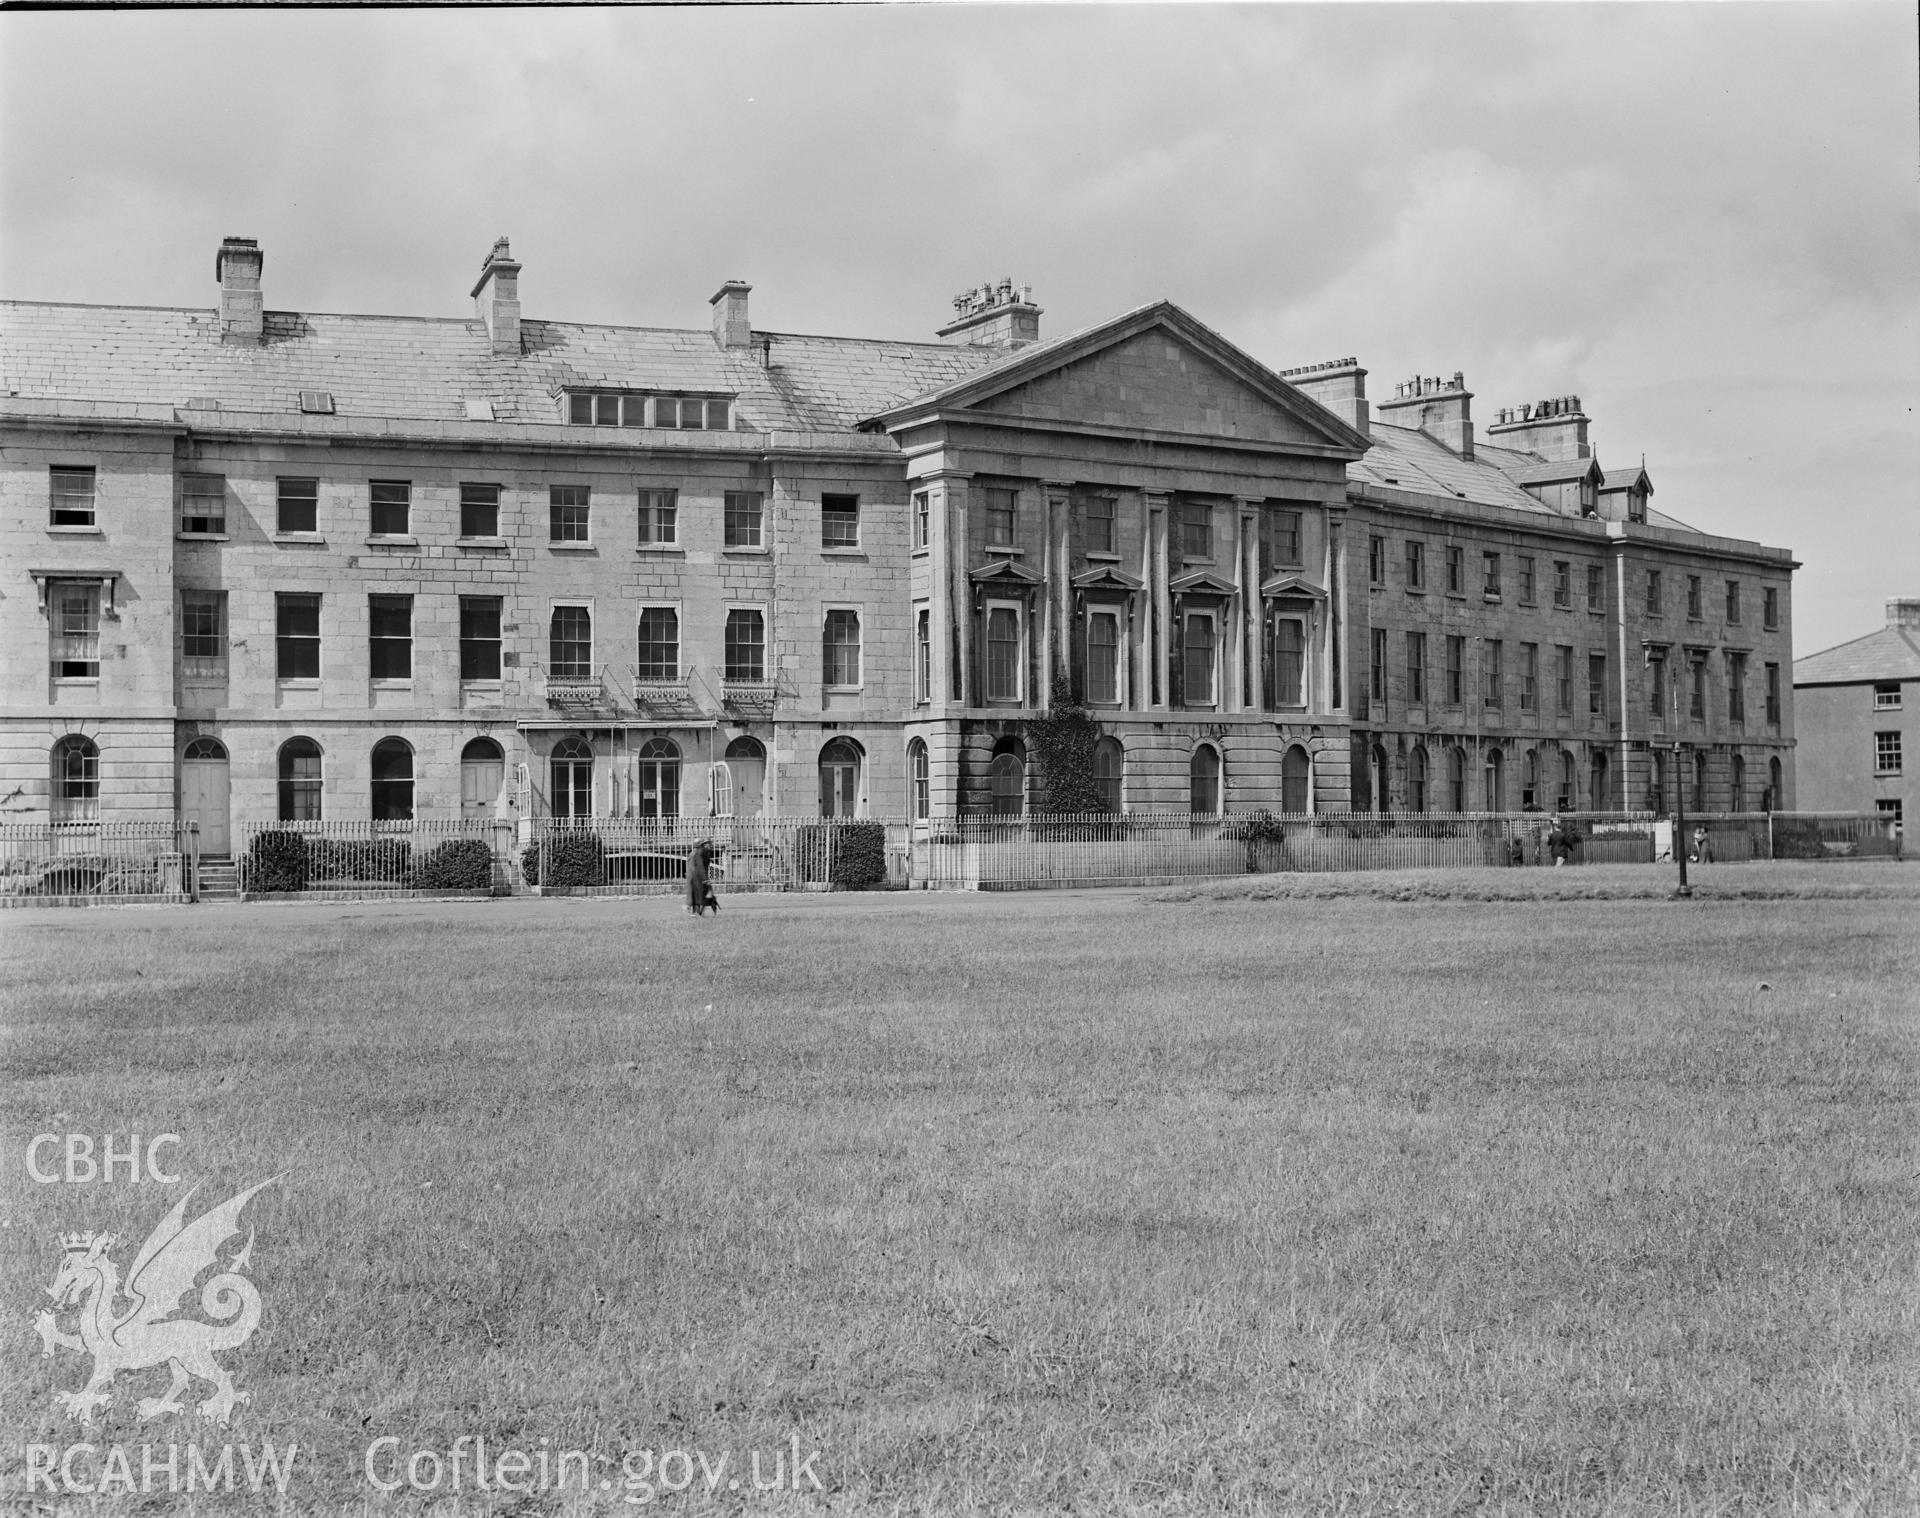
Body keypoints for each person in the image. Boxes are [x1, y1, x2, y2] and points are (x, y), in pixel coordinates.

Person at [686, 840, 720, 916]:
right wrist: (705, 878)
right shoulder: (696, 853)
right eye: (709, 844)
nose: (711, 846)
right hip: (697, 877)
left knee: (702, 894)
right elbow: (698, 867)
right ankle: (696, 911)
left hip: (699, 876)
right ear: (702, 845)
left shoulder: (703, 853)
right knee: (698, 895)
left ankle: (698, 911)